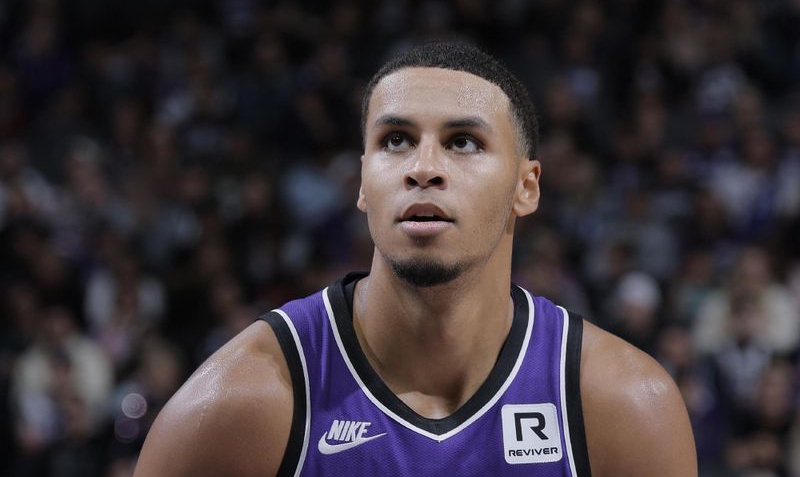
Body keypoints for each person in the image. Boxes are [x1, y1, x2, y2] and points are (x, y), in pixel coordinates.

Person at [133, 42, 697, 476]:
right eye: (396, 139)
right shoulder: (240, 403)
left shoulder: (621, 405)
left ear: (526, 187)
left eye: (463, 142)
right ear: (361, 183)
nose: (423, 166)